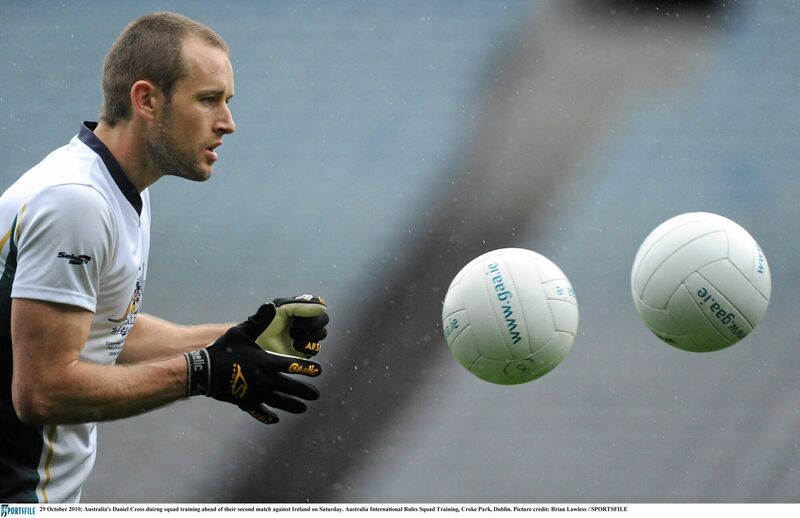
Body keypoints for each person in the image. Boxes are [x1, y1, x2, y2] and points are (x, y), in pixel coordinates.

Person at [0, 12, 329, 503]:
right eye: (208, 99)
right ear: (147, 100)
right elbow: (41, 391)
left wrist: (238, 338)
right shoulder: (76, 202)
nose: (229, 123)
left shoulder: (115, 186)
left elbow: (106, 330)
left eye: (227, 102)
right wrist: (199, 372)